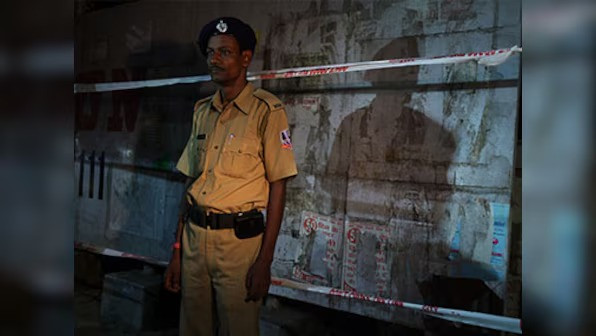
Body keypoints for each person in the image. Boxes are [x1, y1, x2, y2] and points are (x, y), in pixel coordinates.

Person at [163, 17, 298, 336]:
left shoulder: (267, 110)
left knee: (239, 329)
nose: (215, 59)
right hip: (195, 240)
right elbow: (190, 182)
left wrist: (265, 261)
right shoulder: (201, 111)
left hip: (239, 246)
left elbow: (279, 187)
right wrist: (177, 251)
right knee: (192, 328)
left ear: (246, 58)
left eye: (225, 52)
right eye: (211, 53)